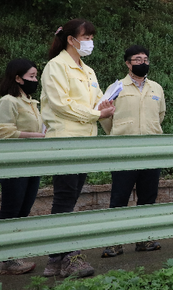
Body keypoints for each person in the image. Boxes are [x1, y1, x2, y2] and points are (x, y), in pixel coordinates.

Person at [40, 19, 115, 278]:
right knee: (64, 196)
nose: (90, 41)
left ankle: (55, 260)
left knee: (71, 196)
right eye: (87, 36)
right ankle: (68, 256)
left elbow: (98, 100)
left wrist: (106, 107)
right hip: (65, 140)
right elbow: (61, 104)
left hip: (85, 140)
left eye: (92, 36)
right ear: (71, 39)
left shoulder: (89, 70)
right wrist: (95, 113)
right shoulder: (55, 66)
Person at [99, 45, 166, 258]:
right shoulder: (116, 87)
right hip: (124, 151)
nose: (142, 62)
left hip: (151, 151)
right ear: (128, 63)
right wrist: (120, 135)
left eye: (145, 59)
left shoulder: (156, 88)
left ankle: (144, 239)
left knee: (148, 197)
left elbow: (160, 115)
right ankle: (114, 243)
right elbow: (105, 118)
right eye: (137, 59)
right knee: (120, 197)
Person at [0, 59, 45, 275]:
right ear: (17, 78)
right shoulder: (8, 101)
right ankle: (8, 258)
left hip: (32, 163)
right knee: (11, 210)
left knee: (23, 209)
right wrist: (39, 135)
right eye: (32, 76)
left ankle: (12, 253)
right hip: (14, 163)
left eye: (36, 76)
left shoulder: (32, 102)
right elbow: (4, 132)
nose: (35, 80)